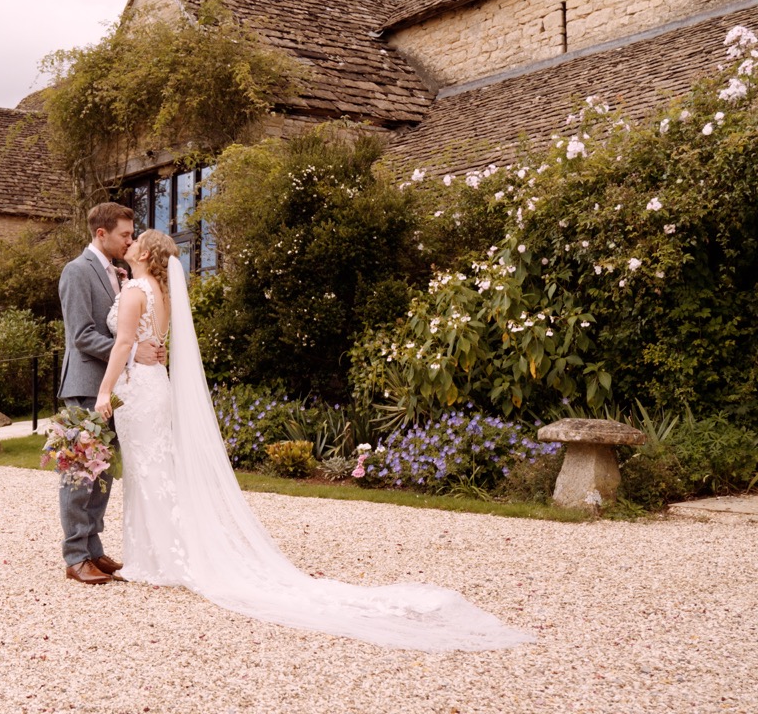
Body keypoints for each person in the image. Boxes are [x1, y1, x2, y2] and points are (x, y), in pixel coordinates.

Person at [94, 230, 536, 652]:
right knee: (155, 470)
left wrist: (104, 390)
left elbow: (125, 342)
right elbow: (146, 342)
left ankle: (157, 560)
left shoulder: (135, 291)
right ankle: (159, 555)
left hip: (138, 389)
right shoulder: (162, 293)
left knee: (148, 472)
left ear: (146, 255)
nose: (130, 244)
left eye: (136, 242)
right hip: (155, 384)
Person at [56, 202, 165, 586]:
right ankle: (75, 556)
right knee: (80, 473)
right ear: (101, 233)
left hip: (117, 389)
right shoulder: (76, 271)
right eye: (124, 235)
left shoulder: (120, 273)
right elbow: (82, 335)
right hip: (86, 386)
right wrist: (135, 352)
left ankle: (94, 548)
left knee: (103, 473)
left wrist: (149, 349)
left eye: (132, 235)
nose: (129, 241)